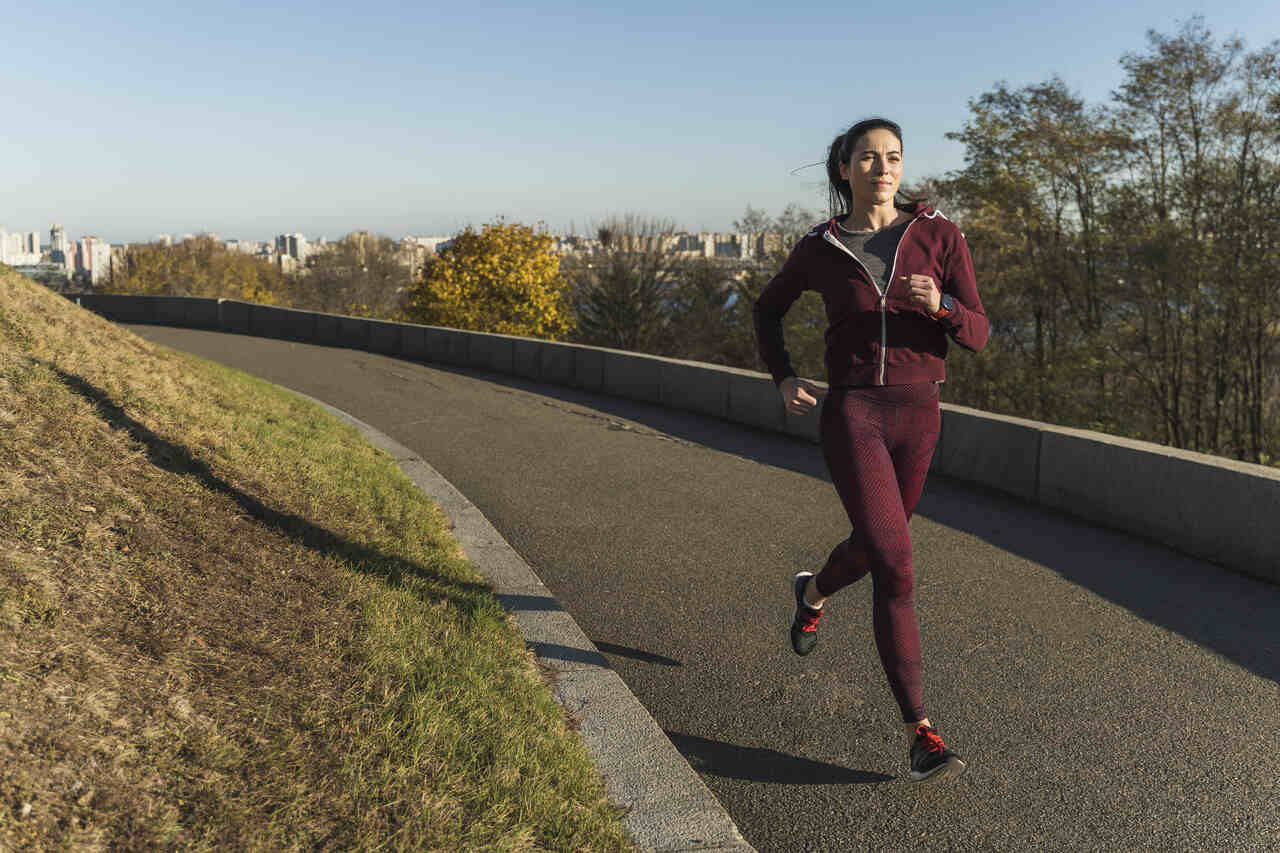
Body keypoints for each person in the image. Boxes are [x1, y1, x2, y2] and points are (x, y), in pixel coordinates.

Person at [753, 117, 989, 782]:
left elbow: (978, 332)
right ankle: (922, 731)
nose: (883, 167)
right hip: (853, 412)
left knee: (873, 544)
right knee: (897, 562)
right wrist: (785, 375)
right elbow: (766, 310)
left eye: (893, 157)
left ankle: (815, 590)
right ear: (846, 169)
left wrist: (940, 304)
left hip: (920, 415)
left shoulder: (941, 236)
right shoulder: (819, 248)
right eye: (868, 157)